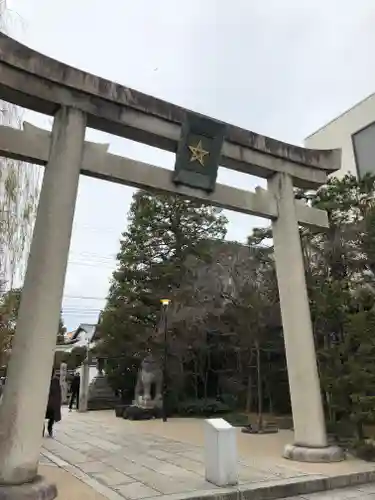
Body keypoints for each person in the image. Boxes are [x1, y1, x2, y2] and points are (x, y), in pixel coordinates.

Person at [44, 370, 62, 438]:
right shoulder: (55, 383)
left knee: (49, 417)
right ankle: (48, 429)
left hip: (50, 404)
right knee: (49, 418)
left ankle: (47, 429)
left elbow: (57, 393)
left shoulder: (53, 381)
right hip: (50, 404)